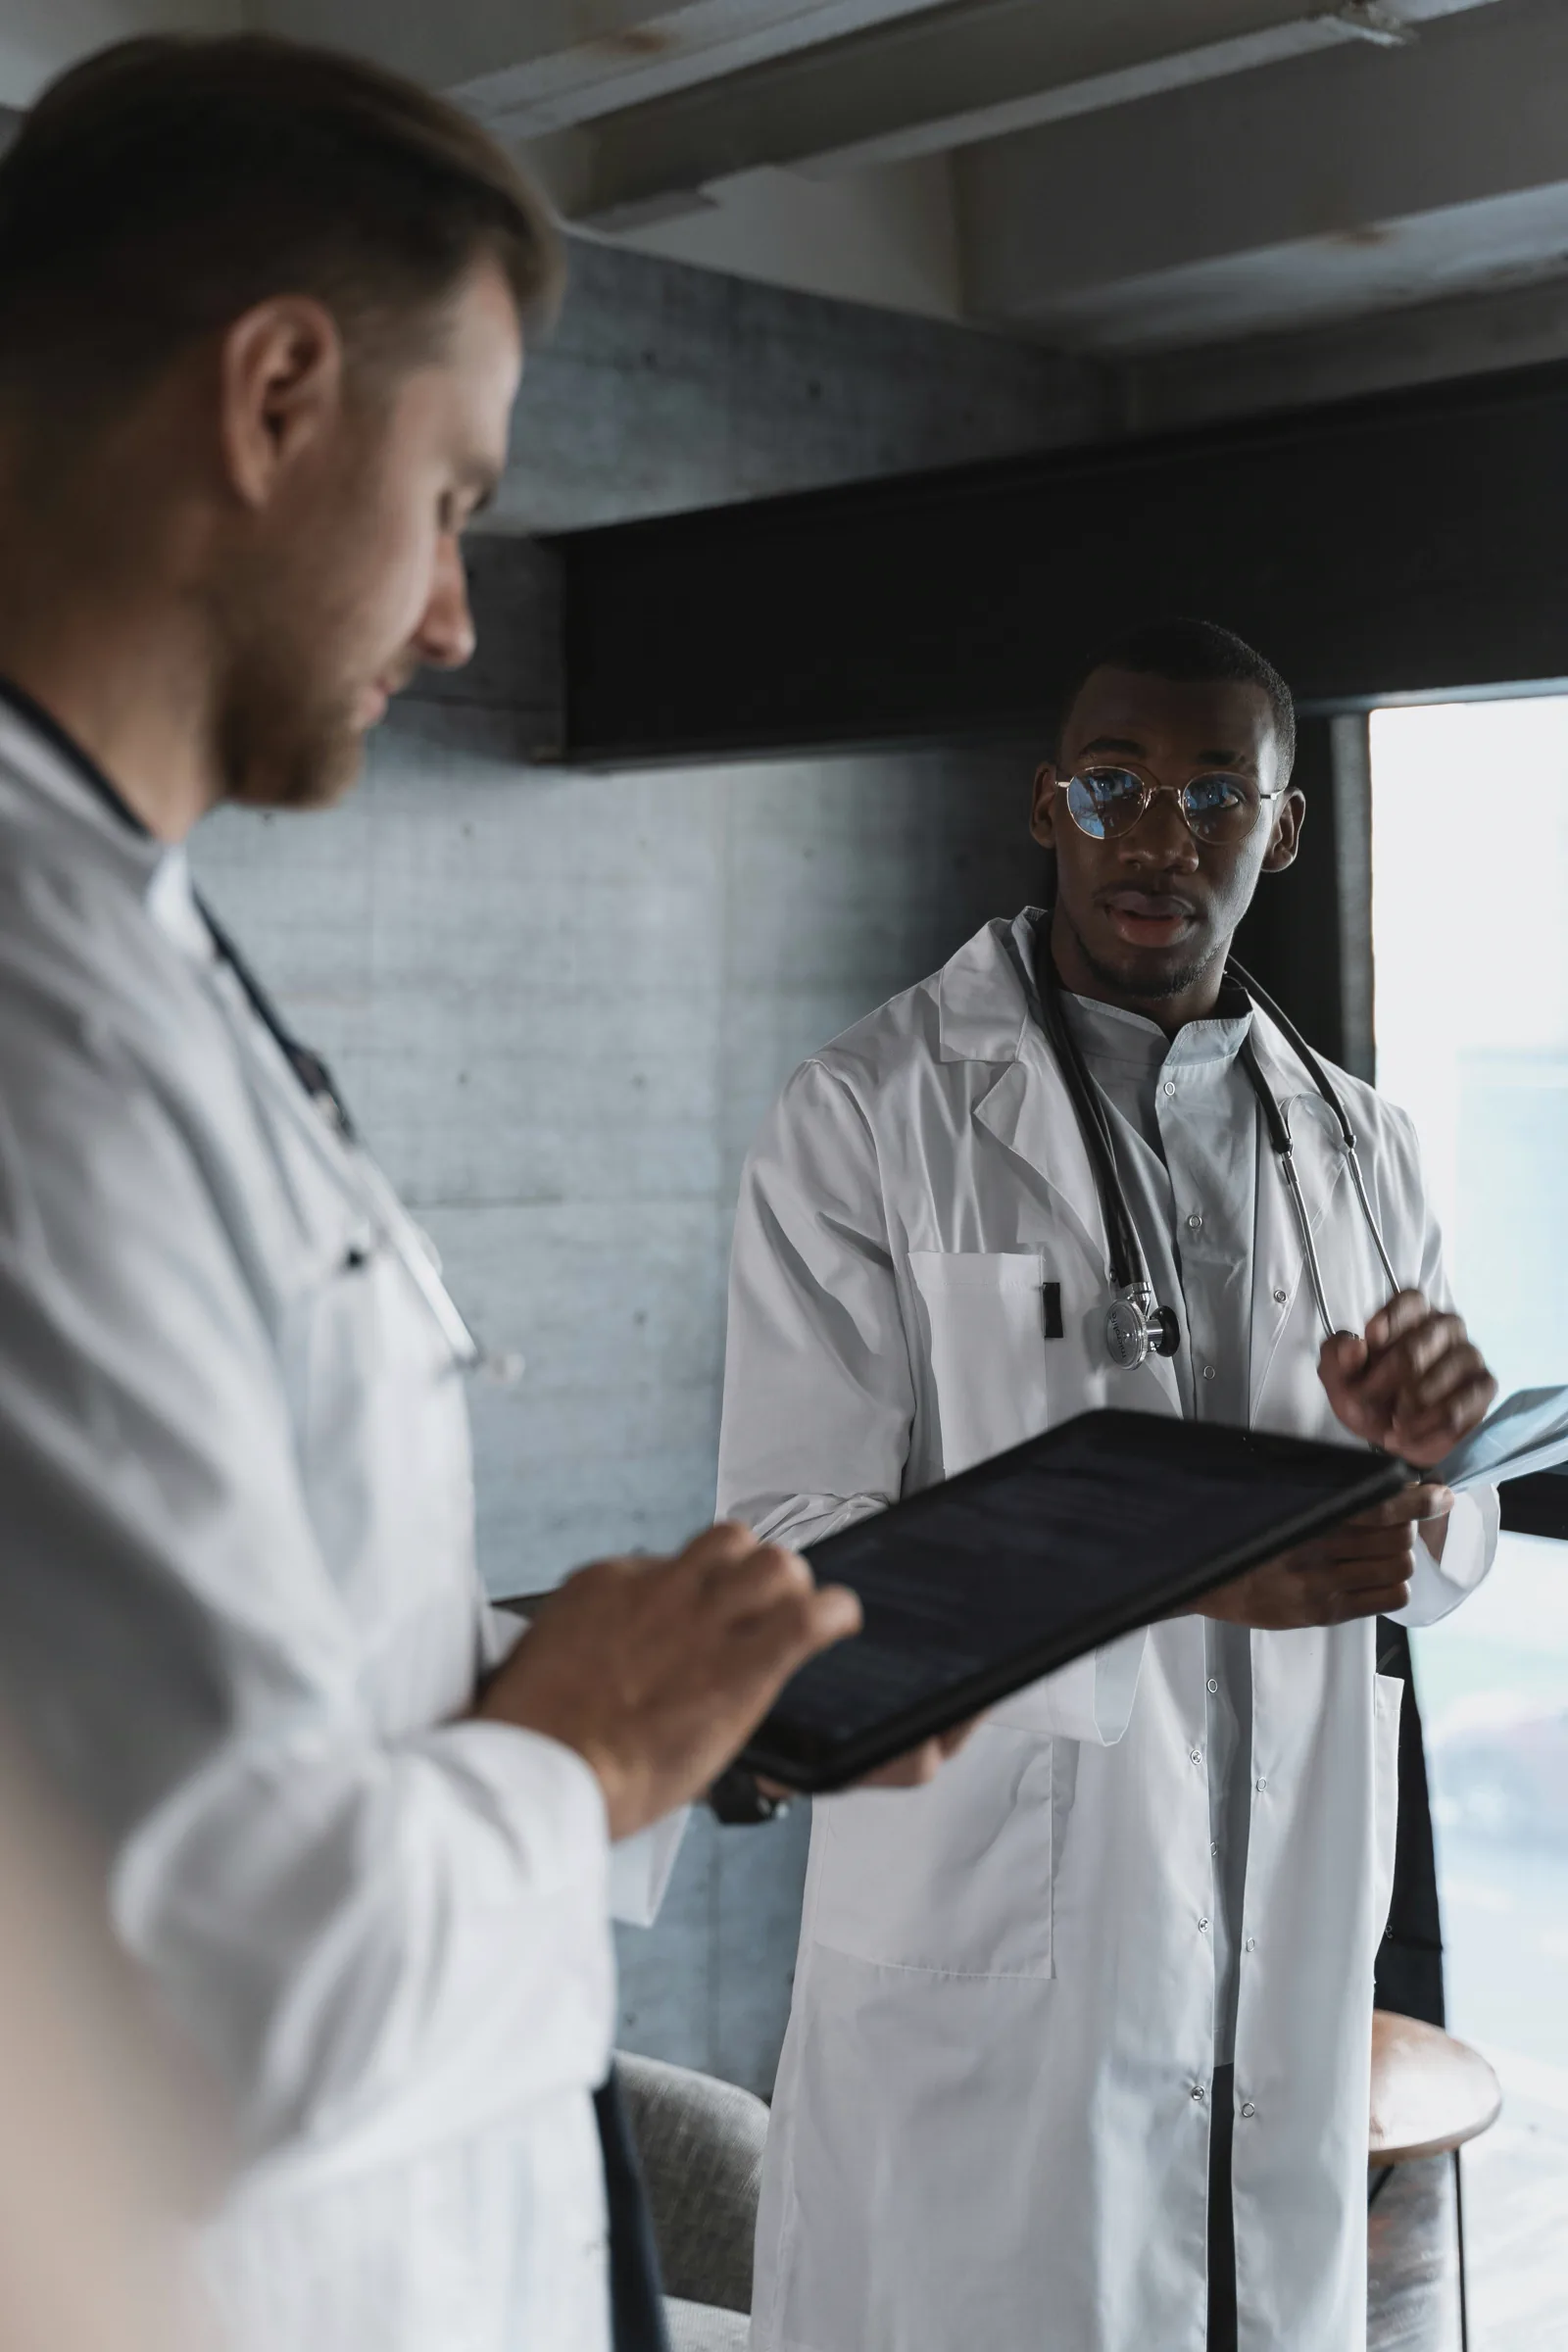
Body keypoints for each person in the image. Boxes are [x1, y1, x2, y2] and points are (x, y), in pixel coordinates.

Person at [0, 36, 892, 2352]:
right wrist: (584, 1743)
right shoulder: (34, 1029)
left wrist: (649, 1698)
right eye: (456, 492)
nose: (458, 615)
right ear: (279, 393)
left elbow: (185, 1713)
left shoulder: (123, 942)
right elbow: (172, 2014)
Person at [717, 619, 1501, 2352]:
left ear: (1282, 829)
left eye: (1218, 791)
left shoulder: (1362, 1145)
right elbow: (794, 1561)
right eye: (1115, 786)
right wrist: (1183, 1575)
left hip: (1278, 1953)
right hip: (993, 1957)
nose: (1162, 835)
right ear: (1046, 808)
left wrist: (1424, 1482)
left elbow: (1437, 1555)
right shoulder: (870, 1111)